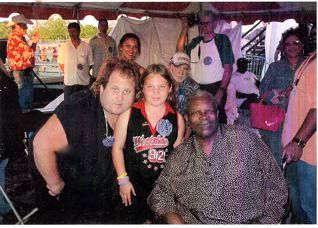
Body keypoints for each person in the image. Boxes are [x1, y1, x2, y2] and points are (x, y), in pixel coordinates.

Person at [148, 89, 288, 224]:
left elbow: (277, 185)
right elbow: (159, 193)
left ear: (217, 113)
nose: (203, 116)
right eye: (196, 112)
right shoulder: (180, 156)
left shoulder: (245, 140)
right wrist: (172, 217)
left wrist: (264, 222)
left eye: (209, 111)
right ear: (187, 119)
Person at [32, 59, 139, 224]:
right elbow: (41, 144)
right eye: (115, 89)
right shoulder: (78, 109)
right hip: (72, 198)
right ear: (102, 87)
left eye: (127, 91)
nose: (120, 97)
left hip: (104, 196)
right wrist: (55, 183)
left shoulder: (132, 112)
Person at [112, 64, 185, 223]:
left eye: (161, 86)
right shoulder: (129, 113)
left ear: (170, 88)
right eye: (150, 86)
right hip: (132, 185)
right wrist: (123, 180)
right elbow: (117, 147)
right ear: (142, 88)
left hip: (162, 188)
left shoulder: (177, 118)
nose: (156, 92)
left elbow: (179, 157)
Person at [176, 10, 234, 123]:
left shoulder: (222, 40)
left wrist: (221, 90)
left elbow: (228, 68)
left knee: (215, 121)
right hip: (196, 88)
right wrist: (184, 29)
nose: (203, 26)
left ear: (214, 23)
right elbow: (179, 51)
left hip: (215, 88)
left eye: (207, 23)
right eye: (201, 23)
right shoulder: (196, 42)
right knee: (197, 120)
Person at [259, 26, 305, 167]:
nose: (291, 47)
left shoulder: (309, 66)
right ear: (283, 47)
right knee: (275, 162)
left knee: (298, 164)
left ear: (302, 45)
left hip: (301, 122)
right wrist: (282, 94)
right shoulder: (275, 67)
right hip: (277, 124)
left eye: (295, 43)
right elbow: (263, 92)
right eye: (287, 44)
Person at [282, 51, 316, 224]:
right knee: (301, 205)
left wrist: (298, 142)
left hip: (310, 151)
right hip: (297, 146)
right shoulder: (313, 56)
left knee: (312, 210)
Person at [6, 14, 39, 112]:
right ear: (17, 26)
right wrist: (34, 41)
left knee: (26, 96)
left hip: (24, 70)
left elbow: (29, 52)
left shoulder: (21, 38)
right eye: (24, 25)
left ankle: (26, 116)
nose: (26, 28)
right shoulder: (15, 38)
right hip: (20, 71)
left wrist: (34, 42)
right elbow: (30, 52)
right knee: (24, 97)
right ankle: (24, 117)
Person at [58, 22, 94, 98]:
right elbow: (61, 64)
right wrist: (70, 72)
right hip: (69, 83)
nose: (71, 34)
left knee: (83, 105)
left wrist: (83, 71)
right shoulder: (64, 47)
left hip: (83, 82)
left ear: (79, 31)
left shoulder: (87, 47)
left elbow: (91, 64)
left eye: (73, 32)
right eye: (70, 32)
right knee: (68, 106)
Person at [225, 58, 259, 127]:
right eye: (244, 64)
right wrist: (249, 96)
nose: (246, 66)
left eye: (246, 64)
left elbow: (259, 85)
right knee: (254, 101)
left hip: (254, 99)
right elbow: (235, 94)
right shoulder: (233, 77)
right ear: (239, 65)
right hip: (242, 103)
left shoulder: (251, 75)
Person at [168, 52, 199, 116]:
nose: (181, 72)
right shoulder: (161, 83)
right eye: (178, 67)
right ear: (170, 67)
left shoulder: (192, 86)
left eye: (185, 69)